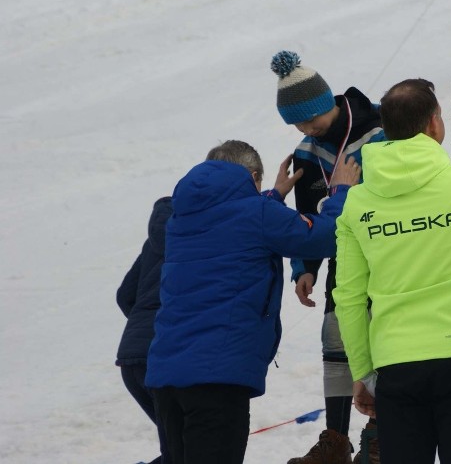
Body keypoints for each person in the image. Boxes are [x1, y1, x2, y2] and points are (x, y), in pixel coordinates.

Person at [333, 79, 451, 464]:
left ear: (386, 131)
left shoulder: (357, 201)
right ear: (435, 124)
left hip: (397, 361)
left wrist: (363, 372)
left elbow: (349, 297)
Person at [145, 140, 360, 464]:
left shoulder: (181, 219)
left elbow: (234, 226)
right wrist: (341, 192)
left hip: (166, 377)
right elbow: (324, 236)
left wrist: (274, 196)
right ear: (253, 176)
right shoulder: (259, 214)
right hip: (216, 377)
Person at [269, 50, 385, 464]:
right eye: (296, 123)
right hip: (343, 258)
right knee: (335, 339)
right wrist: (304, 268)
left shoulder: (376, 135)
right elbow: (305, 218)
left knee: (382, 340)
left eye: (309, 119)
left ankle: (380, 433)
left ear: (327, 104)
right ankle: (335, 440)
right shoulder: (307, 149)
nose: (305, 128)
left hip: (386, 253)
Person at [116, 196, 173, 464]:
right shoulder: (201, 234)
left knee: (179, 449)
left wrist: (144, 326)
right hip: (166, 357)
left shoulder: (153, 242)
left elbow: (125, 295)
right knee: (186, 450)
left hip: (131, 359)